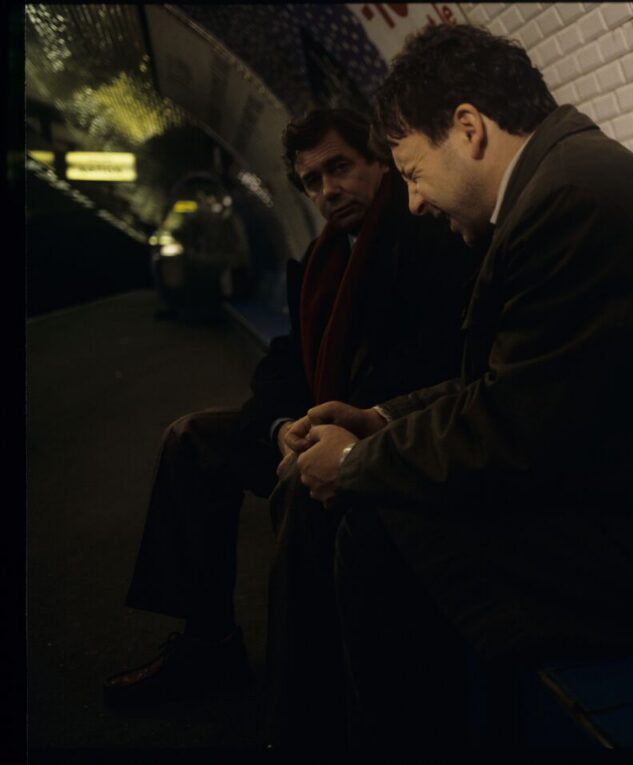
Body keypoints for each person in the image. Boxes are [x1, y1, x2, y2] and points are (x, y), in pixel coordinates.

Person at [287, 23, 633, 748]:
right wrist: (379, 418)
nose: (412, 202)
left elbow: (511, 431)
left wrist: (353, 464)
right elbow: (511, 388)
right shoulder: (563, 184)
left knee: (385, 528)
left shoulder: (568, 206)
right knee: (396, 505)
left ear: (468, 129)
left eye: (410, 173)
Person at [102, 106, 480, 717]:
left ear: (380, 163)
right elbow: (283, 365)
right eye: (312, 180)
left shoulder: (432, 241)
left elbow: (435, 369)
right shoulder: (325, 257)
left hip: (384, 433)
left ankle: (303, 705)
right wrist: (279, 427)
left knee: (302, 490)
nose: (329, 189)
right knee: (192, 439)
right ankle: (209, 644)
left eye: (341, 167)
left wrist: (322, 431)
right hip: (310, 422)